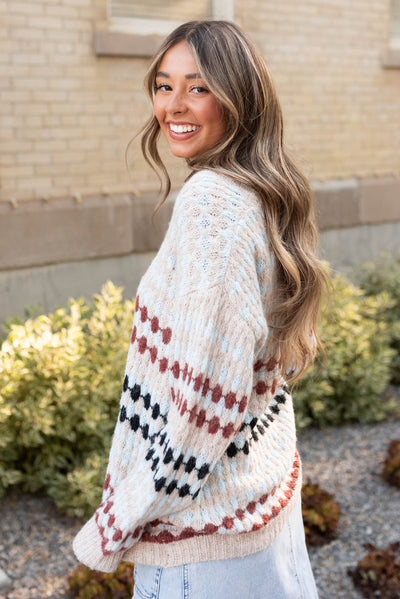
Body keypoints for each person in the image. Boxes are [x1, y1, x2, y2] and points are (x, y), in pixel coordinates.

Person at [73, 20, 327, 599]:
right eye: (164, 86)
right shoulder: (259, 191)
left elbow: (202, 400)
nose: (174, 106)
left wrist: (118, 520)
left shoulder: (212, 202)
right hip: (260, 501)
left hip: (203, 542)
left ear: (239, 98)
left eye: (198, 87)